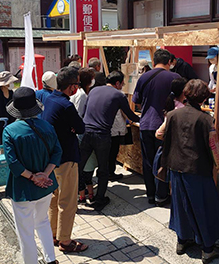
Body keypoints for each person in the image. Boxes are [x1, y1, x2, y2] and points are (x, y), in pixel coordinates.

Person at [161, 80, 219, 263]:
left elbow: (159, 134)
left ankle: (183, 241)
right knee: (203, 208)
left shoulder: (172, 115)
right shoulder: (206, 119)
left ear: (185, 94)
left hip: (176, 167)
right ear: (203, 97)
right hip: (197, 169)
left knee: (180, 206)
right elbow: (214, 149)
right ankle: (207, 249)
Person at [3, 87, 62, 264]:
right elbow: (57, 153)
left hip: (23, 188)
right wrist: (45, 174)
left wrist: (33, 177)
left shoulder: (10, 131)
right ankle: (51, 259)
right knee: (42, 221)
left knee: (25, 230)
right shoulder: (47, 126)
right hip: (46, 185)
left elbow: (13, 163)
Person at [43, 67, 87, 253]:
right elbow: (80, 128)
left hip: (51, 158)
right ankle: (66, 241)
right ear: (71, 87)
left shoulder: (49, 99)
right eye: (76, 84)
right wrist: (71, 128)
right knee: (68, 202)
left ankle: (53, 234)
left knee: (54, 198)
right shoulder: (67, 106)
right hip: (66, 157)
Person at [81, 70, 140, 211]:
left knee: (79, 165)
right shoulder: (118, 95)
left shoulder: (93, 91)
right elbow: (130, 114)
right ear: (118, 83)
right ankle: (100, 198)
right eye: (123, 82)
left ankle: (79, 194)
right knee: (103, 168)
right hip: (102, 135)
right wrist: (144, 119)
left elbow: (84, 112)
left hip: (86, 132)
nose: (124, 85)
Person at [132, 49, 180, 206]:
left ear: (154, 61)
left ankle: (150, 195)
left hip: (146, 124)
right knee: (163, 160)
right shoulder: (175, 77)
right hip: (166, 125)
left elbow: (136, 100)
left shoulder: (144, 77)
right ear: (169, 62)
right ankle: (162, 195)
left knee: (148, 161)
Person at [70, 67, 96, 203]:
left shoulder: (83, 94)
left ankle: (85, 191)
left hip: (81, 133)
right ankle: (83, 193)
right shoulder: (82, 96)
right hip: (81, 135)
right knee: (84, 167)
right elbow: (79, 115)